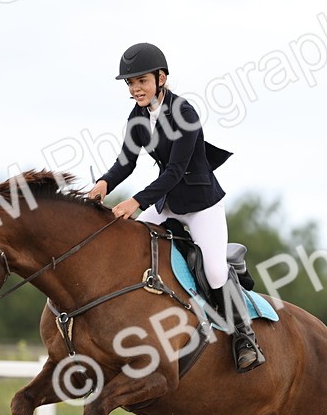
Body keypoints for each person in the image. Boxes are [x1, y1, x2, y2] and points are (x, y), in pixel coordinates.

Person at [87, 43, 265, 373]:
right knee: (131, 244)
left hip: (200, 205)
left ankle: (245, 338)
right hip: (167, 203)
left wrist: (136, 201)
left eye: (140, 81)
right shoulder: (137, 116)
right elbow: (125, 162)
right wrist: (103, 184)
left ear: (161, 78)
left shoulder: (184, 113)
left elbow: (175, 171)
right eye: (130, 83)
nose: (135, 88)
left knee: (213, 271)